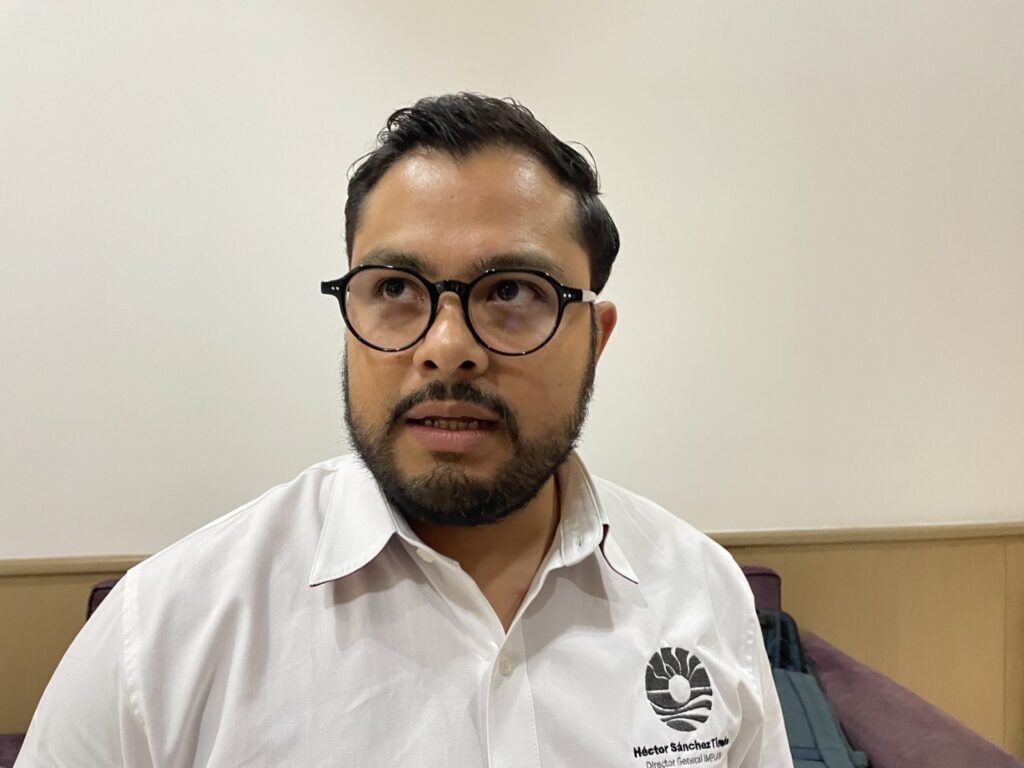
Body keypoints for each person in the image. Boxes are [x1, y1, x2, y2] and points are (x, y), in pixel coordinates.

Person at [16, 93, 792, 767]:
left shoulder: (701, 590)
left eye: (512, 291)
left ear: (595, 336)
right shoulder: (158, 636)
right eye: (394, 288)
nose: (447, 347)